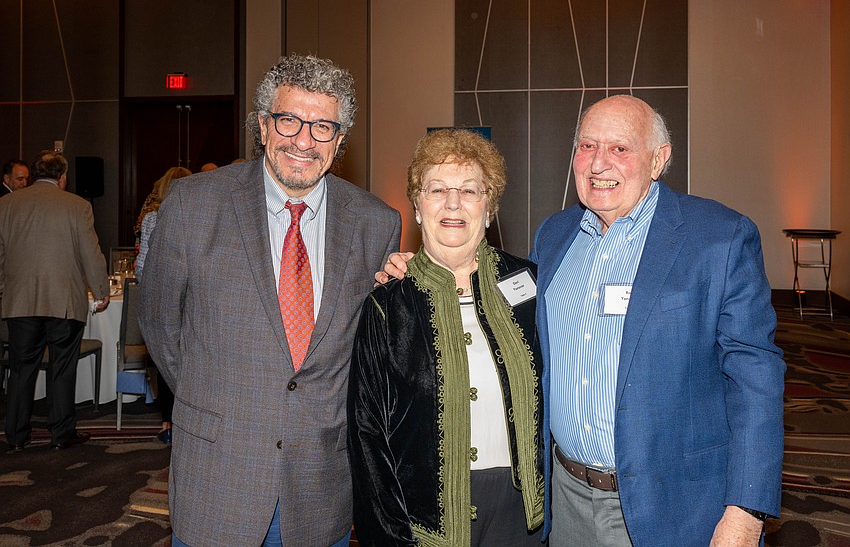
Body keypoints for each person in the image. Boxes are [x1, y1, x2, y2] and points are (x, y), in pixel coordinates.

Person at [380, 95, 785, 546]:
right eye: (587, 146)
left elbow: (755, 379)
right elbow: (493, 306)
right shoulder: (554, 237)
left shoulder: (718, 238)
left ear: (659, 159)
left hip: (673, 504)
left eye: (620, 149)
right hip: (565, 499)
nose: (598, 163)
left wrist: (746, 512)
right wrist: (417, 270)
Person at [139, 53, 401, 547]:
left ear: (340, 140)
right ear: (262, 126)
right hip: (219, 470)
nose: (304, 140)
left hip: (321, 481)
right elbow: (159, 323)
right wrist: (213, 397)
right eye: (289, 120)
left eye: (323, 126)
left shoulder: (376, 222)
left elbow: (370, 351)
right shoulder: (193, 204)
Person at [349, 129, 544, 547]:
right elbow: (367, 436)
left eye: (470, 191)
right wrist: (389, 536)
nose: (453, 203)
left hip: (520, 515)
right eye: (437, 189)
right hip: (425, 522)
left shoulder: (529, 284)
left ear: (489, 207)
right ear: (417, 207)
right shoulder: (387, 306)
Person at [0, 151, 109, 452]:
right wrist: (101, 291)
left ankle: (16, 436)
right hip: (63, 301)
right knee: (63, 365)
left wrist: (2, 290)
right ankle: (61, 433)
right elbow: (91, 253)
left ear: (34, 175)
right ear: (62, 178)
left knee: (21, 369)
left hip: (19, 302)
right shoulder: (77, 205)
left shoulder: (6, 205)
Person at [134, 165, 191, 445]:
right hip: (192, 304)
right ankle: (187, 424)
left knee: (167, 360)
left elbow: (142, 269)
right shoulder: (199, 218)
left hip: (164, 303)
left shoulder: (152, 219)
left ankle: (168, 423)